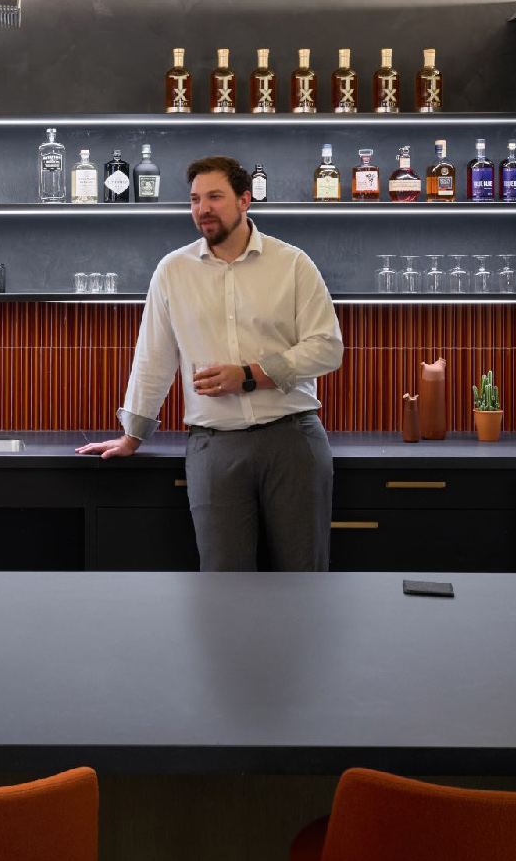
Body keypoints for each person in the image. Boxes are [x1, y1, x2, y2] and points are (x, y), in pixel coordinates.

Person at [78, 156, 344, 571]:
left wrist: (250, 376)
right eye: (195, 199)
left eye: (215, 197)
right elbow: (153, 358)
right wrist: (132, 435)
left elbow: (327, 348)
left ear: (244, 201)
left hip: (292, 442)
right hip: (214, 446)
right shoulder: (173, 271)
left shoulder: (292, 264)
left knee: (303, 577)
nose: (203, 208)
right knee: (223, 583)